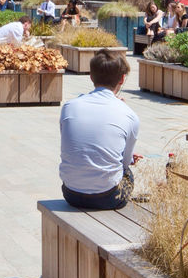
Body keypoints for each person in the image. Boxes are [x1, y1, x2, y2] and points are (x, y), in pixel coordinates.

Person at [58, 50, 142, 210]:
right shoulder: (129, 115)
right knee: (128, 174)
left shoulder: (69, 107)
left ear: (91, 76)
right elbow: (124, 164)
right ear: (122, 79)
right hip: (108, 196)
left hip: (71, 193)